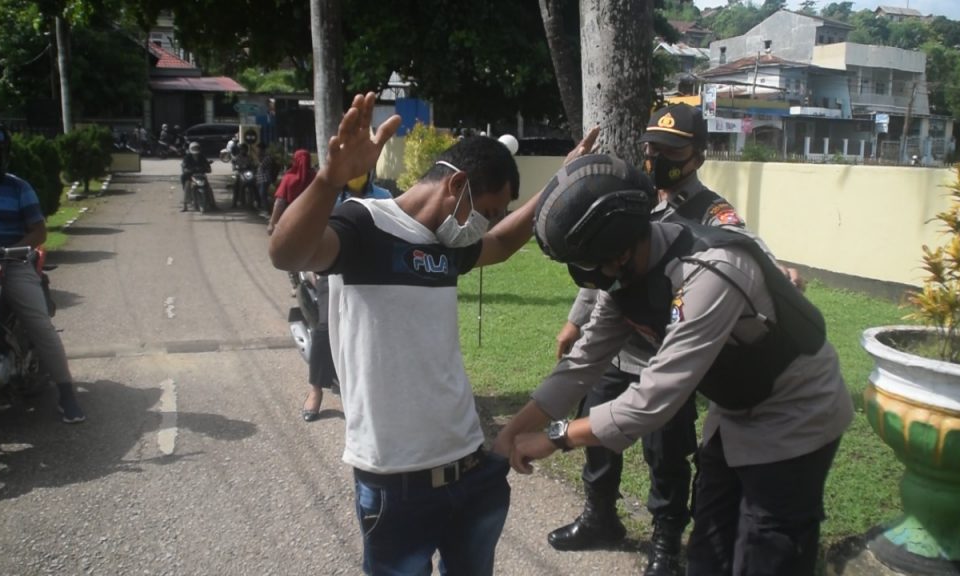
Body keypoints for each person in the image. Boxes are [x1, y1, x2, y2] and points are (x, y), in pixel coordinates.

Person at [268, 92, 598, 575]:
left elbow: (504, 241)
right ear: (457, 184)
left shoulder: (446, 244)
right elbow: (286, 253)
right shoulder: (364, 224)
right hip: (393, 483)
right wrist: (328, 179)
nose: (484, 222)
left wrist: (561, 180)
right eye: (486, 209)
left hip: (472, 467)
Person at [496, 153, 853, 576]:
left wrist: (556, 437)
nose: (592, 278)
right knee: (709, 548)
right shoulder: (625, 277)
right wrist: (512, 432)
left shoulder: (709, 272)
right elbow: (580, 364)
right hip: (736, 407)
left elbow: (654, 398)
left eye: (592, 264)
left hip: (795, 412)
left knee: (768, 550)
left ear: (620, 249)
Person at [548, 103, 747, 576]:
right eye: (651, 147)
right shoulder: (631, 195)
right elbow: (599, 263)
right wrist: (576, 321)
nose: (657, 157)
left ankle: (665, 544)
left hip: (665, 358)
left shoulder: (715, 214)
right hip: (614, 344)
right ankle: (600, 518)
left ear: (697, 155)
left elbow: (742, 254)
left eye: (671, 150)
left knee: (666, 456)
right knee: (595, 432)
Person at [0, 119, 84, 424]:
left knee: (39, 323)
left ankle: (66, 394)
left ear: (3, 151)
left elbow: (38, 231)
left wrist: (14, 249)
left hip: (11, 261)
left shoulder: (17, 187)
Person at [299, 169, 393, 423]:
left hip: (372, 269)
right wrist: (312, 264)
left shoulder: (384, 196)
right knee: (325, 327)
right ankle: (316, 389)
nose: (356, 171)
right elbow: (310, 230)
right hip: (332, 269)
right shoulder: (328, 198)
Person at [267, 149, 315, 236]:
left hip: (289, 220)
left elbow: (279, 203)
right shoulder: (315, 178)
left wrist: (272, 223)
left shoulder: (288, 178)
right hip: (311, 221)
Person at [180, 142, 212, 212]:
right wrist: (186, 169)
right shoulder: (187, 157)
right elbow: (184, 165)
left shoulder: (202, 156)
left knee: (208, 186)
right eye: (194, 148)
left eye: (196, 148)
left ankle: (212, 204)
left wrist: (207, 168)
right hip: (190, 175)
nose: (195, 149)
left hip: (200, 175)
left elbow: (206, 164)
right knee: (187, 186)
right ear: (190, 149)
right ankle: (185, 206)